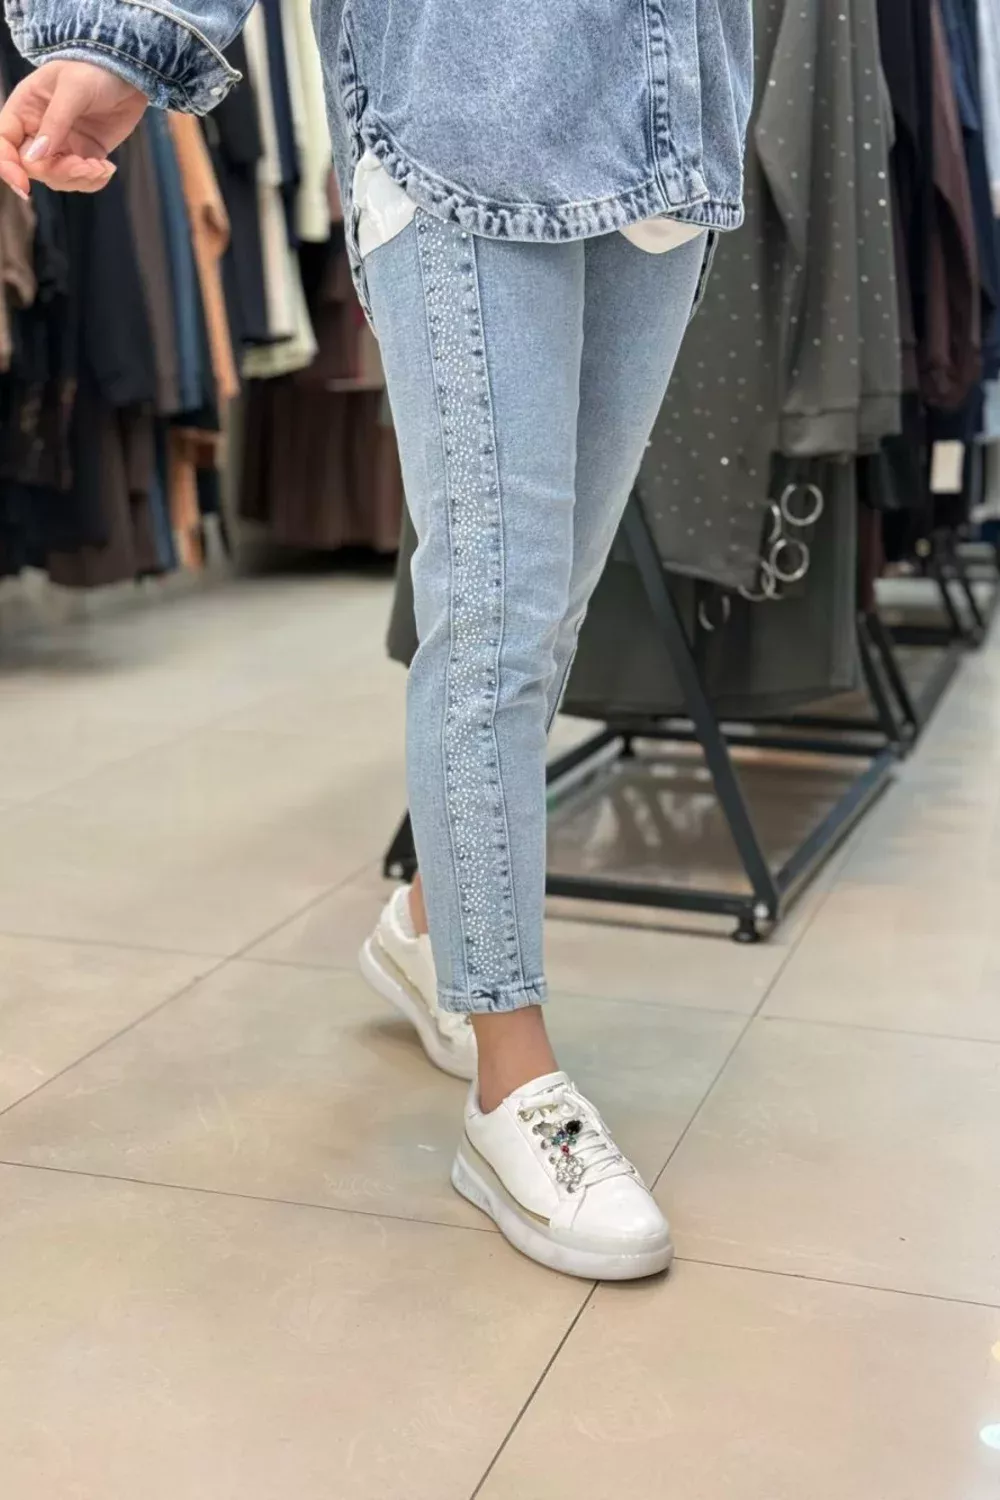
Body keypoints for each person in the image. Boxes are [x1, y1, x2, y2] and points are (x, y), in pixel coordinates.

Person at [0, 0, 752, 1281]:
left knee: (550, 608)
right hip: (469, 106)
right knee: (497, 617)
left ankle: (429, 923)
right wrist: (130, 38)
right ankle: (512, 1082)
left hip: (668, 107)